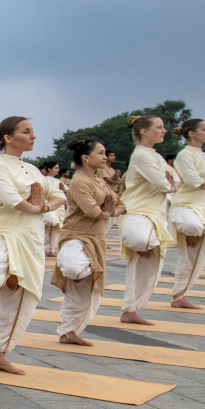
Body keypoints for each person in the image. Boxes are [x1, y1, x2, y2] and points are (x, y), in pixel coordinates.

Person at [0, 117, 61, 373]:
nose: (33, 136)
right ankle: (6, 272)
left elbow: (60, 193)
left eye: (32, 131)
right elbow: (12, 200)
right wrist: (38, 207)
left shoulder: (32, 170)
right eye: (26, 132)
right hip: (6, 234)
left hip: (30, 238)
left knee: (19, 302)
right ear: (8, 137)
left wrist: (44, 207)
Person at [53, 138, 122, 346]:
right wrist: (108, 212)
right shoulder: (80, 181)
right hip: (78, 236)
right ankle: (68, 331)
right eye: (100, 153)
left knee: (88, 288)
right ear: (86, 158)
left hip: (96, 238)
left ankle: (69, 331)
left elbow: (122, 205)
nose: (105, 157)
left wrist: (109, 212)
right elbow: (92, 211)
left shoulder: (100, 180)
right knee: (78, 274)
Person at [119, 115, 178, 325]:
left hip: (156, 214)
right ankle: (130, 309)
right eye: (159, 127)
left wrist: (170, 184)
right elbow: (165, 184)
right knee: (144, 250)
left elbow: (174, 181)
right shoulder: (142, 155)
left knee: (150, 265)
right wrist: (169, 184)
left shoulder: (156, 156)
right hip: (140, 212)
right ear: (144, 131)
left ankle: (131, 309)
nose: (164, 131)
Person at [166, 119, 205, 310]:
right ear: (192, 133)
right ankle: (178, 295)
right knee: (190, 248)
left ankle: (180, 295)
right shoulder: (184, 155)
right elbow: (193, 181)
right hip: (188, 206)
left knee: (198, 256)